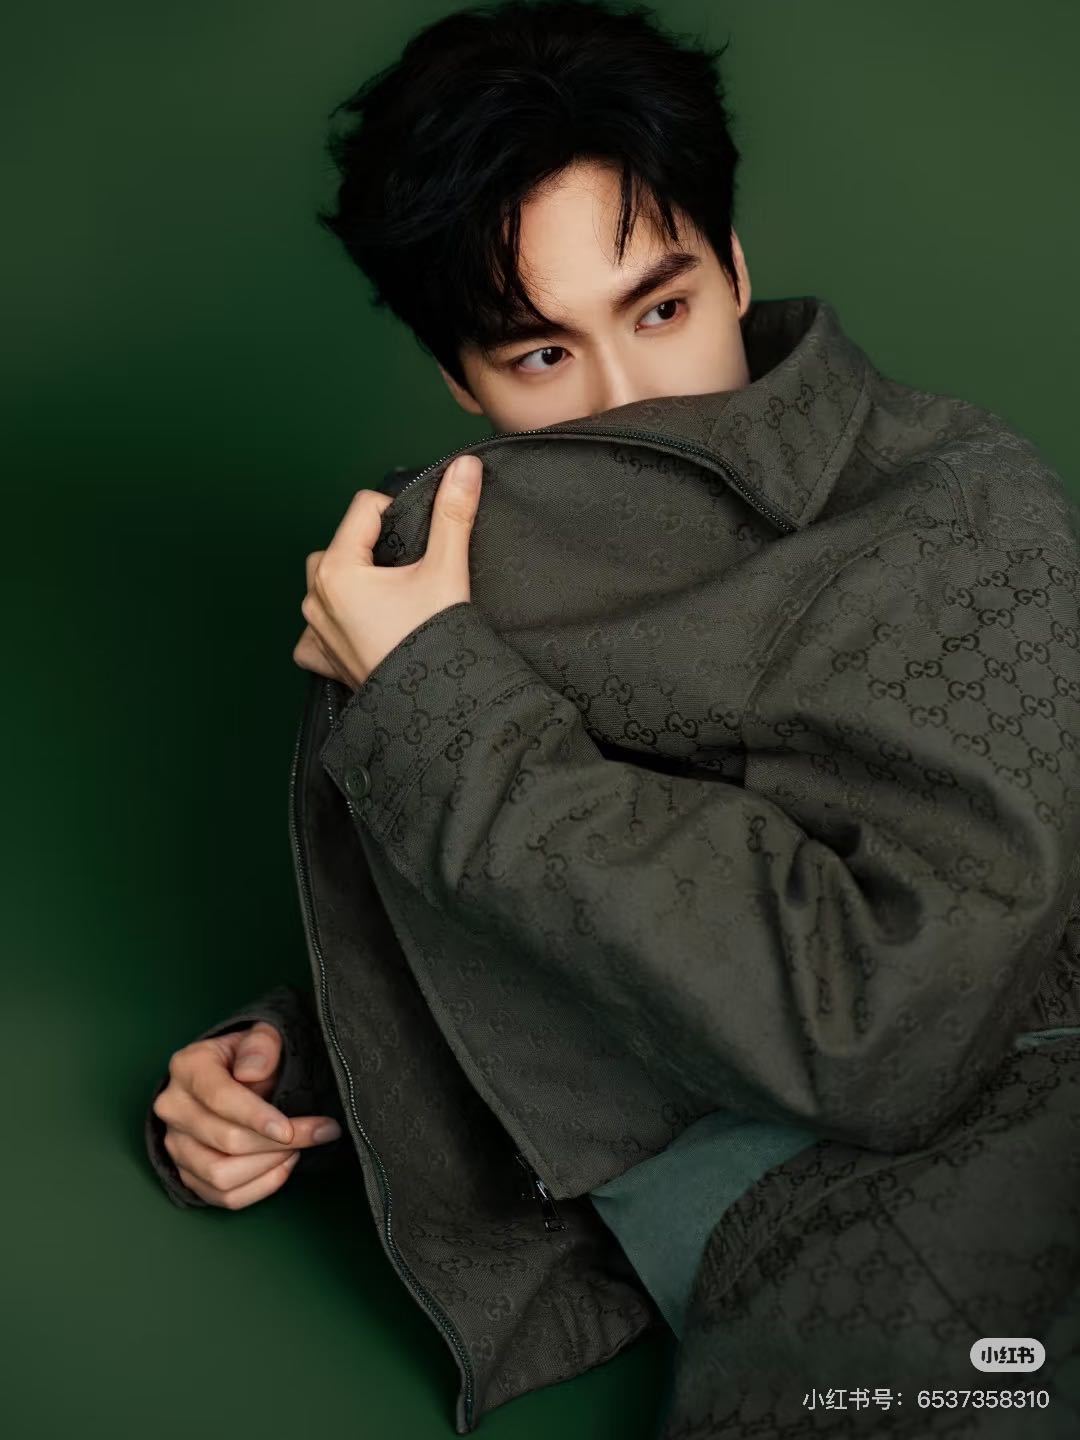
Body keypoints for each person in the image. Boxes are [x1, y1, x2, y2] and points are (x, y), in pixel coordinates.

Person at [145, 2, 1080, 1434]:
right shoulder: (435, 580)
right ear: (459, 379)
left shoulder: (958, 504)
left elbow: (895, 1024)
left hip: (1001, 1179)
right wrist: (293, 1079)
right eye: (541, 356)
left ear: (734, 267)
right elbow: (601, 917)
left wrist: (441, 706)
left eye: (662, 310)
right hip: (783, 1267)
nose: (633, 396)